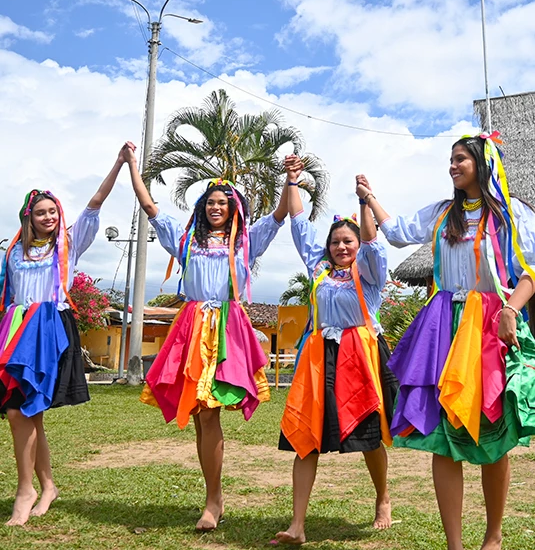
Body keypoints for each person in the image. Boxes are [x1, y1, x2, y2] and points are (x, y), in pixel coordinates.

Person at [357, 132, 535, 550]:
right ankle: (454, 544)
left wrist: (510, 309)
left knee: (494, 432)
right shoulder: (442, 212)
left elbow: (530, 271)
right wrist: (369, 197)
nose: (453, 166)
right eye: (451, 160)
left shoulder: (512, 215)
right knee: (442, 436)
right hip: (442, 326)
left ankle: (493, 536)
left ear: (482, 163)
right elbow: (398, 233)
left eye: (461, 159)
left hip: (490, 325)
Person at [124, 146, 300, 532]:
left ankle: (213, 500)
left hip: (226, 329)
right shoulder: (186, 239)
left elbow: (281, 215)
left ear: (233, 208)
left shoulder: (244, 242)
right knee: (202, 418)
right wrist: (132, 166)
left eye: (222, 202)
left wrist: (290, 179)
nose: (215, 207)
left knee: (209, 413)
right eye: (210, 202)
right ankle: (214, 497)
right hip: (191, 327)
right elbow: (150, 206)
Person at [0, 144, 131, 526]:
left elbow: (94, 204)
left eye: (52, 211)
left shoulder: (68, 245)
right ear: (29, 217)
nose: (48, 217)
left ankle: (26, 491)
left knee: (18, 409)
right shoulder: (14, 252)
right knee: (28, 412)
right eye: (40, 212)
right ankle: (46, 486)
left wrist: (119, 164)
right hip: (14, 330)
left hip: (47, 331)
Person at [275, 158, 398, 546]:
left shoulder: (369, 272)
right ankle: (297, 524)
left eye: (348, 241)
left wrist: (364, 201)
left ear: (358, 246)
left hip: (360, 358)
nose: (341, 246)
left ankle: (382, 499)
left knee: (369, 437)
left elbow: (374, 242)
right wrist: (292, 181)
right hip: (319, 358)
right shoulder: (318, 269)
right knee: (305, 436)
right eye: (335, 242)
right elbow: (298, 224)